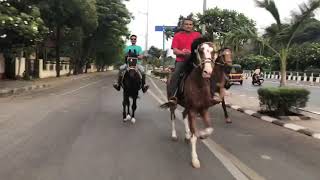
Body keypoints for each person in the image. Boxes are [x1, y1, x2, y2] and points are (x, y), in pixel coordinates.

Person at [166, 18, 201, 105]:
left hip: (195, 60)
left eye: (190, 24)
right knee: (176, 74)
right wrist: (183, 52)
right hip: (182, 60)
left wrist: (193, 53)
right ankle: (173, 97)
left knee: (208, 71)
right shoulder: (177, 35)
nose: (188, 26)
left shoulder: (197, 35)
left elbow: (201, 47)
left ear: (193, 26)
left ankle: (214, 94)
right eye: (186, 24)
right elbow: (175, 50)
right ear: (182, 25)